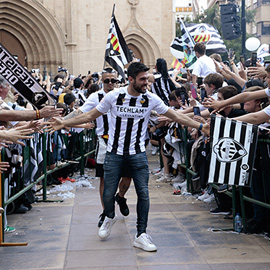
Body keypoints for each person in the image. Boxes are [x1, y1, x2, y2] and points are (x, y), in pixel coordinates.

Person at [46, 62, 209, 252]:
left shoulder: (151, 99)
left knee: (143, 194)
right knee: (107, 193)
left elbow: (176, 115)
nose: (146, 83)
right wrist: (64, 122)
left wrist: (199, 126)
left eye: (147, 79)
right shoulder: (114, 96)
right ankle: (109, 216)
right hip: (114, 153)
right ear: (130, 79)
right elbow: (90, 114)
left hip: (138, 154)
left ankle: (141, 234)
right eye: (142, 80)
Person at [60, 68, 131, 227]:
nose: (110, 83)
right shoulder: (95, 97)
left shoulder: (125, 94)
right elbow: (80, 112)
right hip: (105, 142)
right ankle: (106, 212)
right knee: (104, 179)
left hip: (124, 143)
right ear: (102, 82)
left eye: (113, 80)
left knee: (128, 175)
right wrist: (63, 121)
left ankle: (120, 197)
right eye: (107, 81)